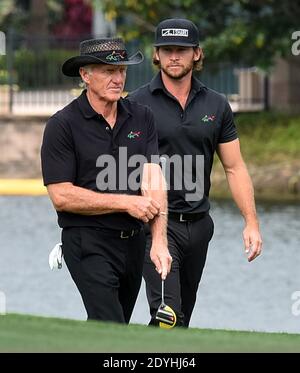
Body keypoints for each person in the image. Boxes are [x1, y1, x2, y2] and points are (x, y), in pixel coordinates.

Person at [129, 18, 263, 327]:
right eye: (167, 50)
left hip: (199, 226)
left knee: (182, 321)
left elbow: (234, 167)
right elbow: (121, 165)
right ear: (156, 55)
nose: (174, 56)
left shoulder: (216, 105)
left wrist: (251, 222)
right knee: (167, 316)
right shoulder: (136, 104)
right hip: (155, 225)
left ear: (197, 54)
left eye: (182, 50)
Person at [41, 37, 172, 324]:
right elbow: (61, 196)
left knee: (113, 331)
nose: (118, 78)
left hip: (133, 244)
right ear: (85, 75)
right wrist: (126, 202)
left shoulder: (142, 117)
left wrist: (159, 240)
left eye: (122, 70)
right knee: (110, 323)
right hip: (87, 241)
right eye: (108, 71)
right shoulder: (62, 125)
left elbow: (153, 179)